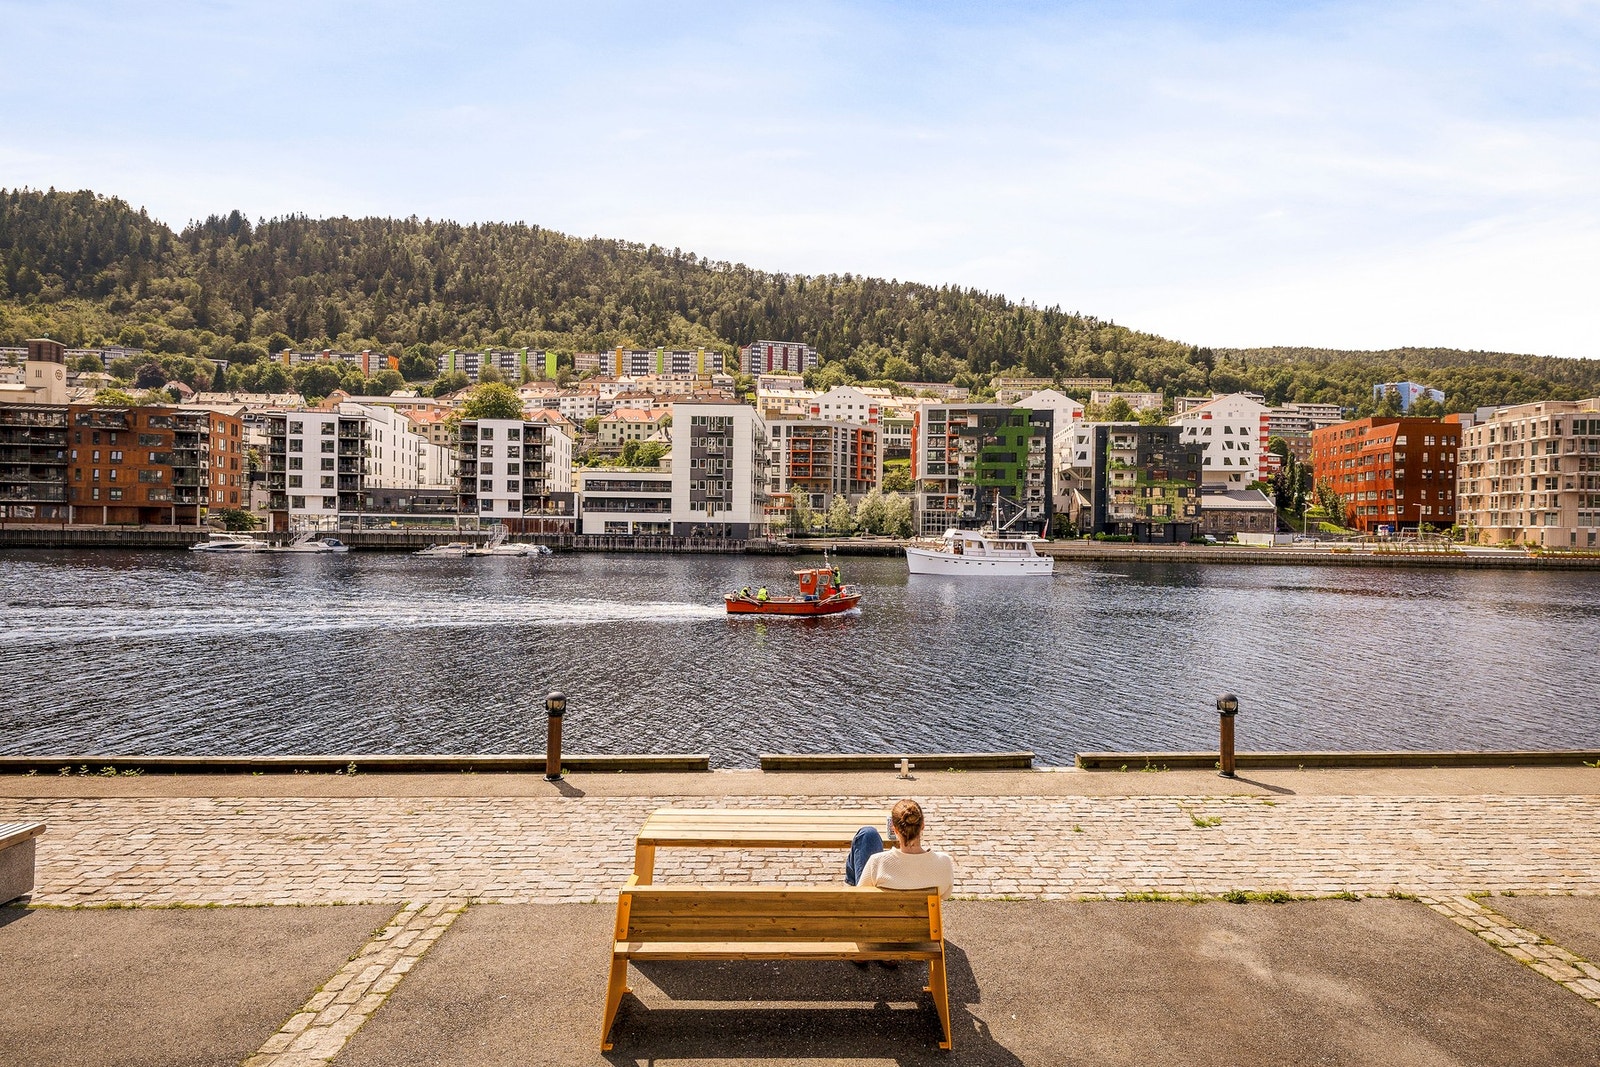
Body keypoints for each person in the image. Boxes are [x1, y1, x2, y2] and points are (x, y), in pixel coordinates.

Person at [845, 798, 954, 898]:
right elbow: (945, 896)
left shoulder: (877, 862)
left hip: (884, 918)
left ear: (895, 829)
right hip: (923, 919)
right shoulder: (944, 862)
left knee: (868, 835)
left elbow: (859, 898)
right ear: (922, 826)